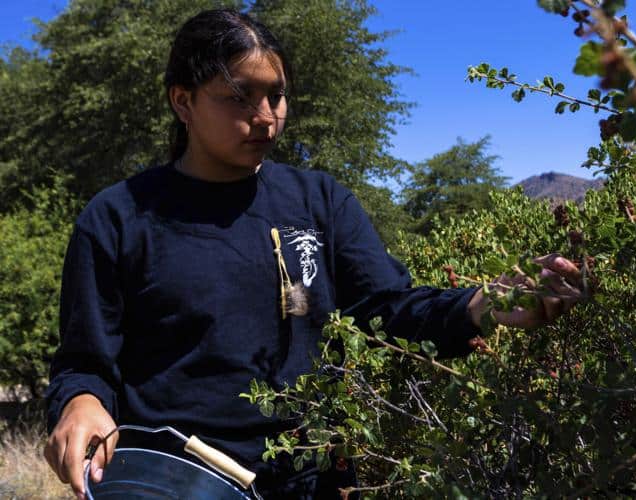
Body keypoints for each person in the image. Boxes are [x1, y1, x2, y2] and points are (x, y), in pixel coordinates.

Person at [43, 8, 583, 500]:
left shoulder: (318, 202)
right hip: (172, 483)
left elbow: (387, 307)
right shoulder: (118, 218)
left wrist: (480, 306)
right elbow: (85, 363)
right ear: (182, 100)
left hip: (312, 483)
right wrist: (81, 404)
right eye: (239, 97)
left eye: (275, 95)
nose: (266, 116)